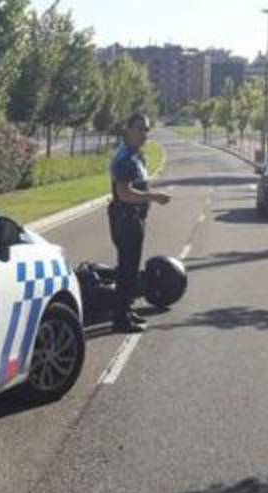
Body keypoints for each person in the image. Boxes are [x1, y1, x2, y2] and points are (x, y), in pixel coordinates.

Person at [108, 113, 171, 333]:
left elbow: (139, 186)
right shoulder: (125, 158)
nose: (143, 133)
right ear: (127, 130)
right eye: (138, 128)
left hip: (135, 219)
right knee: (126, 269)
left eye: (146, 129)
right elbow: (124, 193)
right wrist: (154, 197)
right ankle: (120, 319)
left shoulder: (137, 156)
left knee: (131, 269)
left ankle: (126, 310)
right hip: (126, 219)